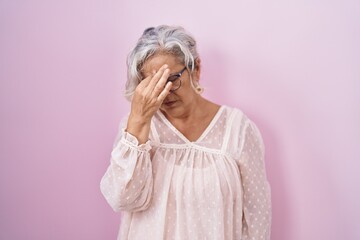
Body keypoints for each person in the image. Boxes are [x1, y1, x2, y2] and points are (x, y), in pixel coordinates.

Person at [100, 25, 272, 240]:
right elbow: (121, 199)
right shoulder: (136, 128)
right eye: (153, 84)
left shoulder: (237, 129)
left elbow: (257, 216)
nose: (165, 93)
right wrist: (138, 120)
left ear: (196, 69)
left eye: (171, 80)